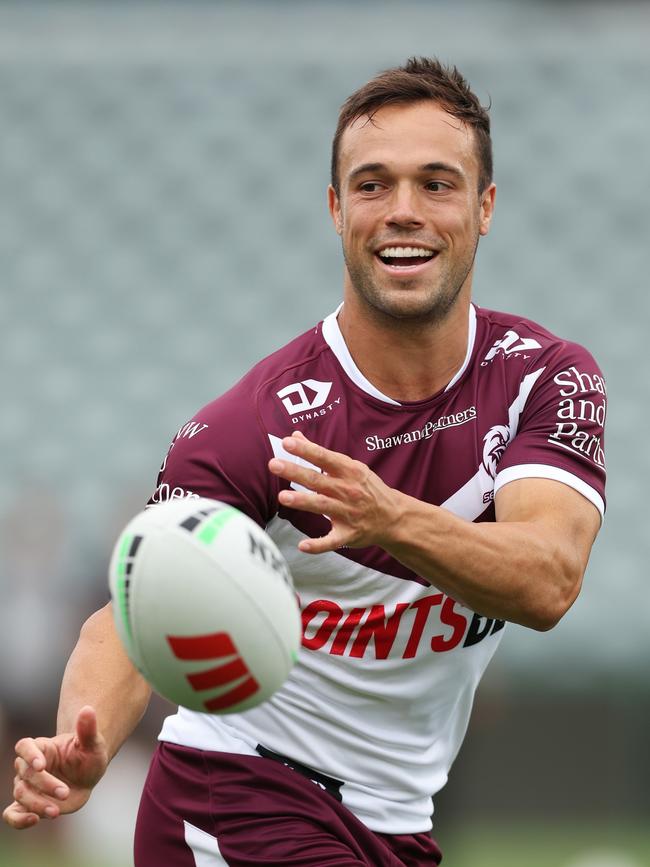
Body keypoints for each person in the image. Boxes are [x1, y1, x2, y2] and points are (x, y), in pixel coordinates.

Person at [4, 57, 606, 866]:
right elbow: (129, 613)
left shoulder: (544, 377)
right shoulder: (255, 425)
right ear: (334, 208)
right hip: (236, 800)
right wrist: (86, 738)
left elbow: (548, 578)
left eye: (436, 183)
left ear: (485, 206)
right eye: (371, 185)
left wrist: (387, 516)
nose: (403, 211)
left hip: (396, 822)